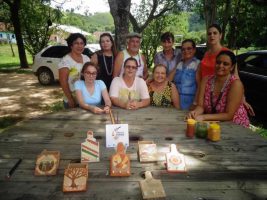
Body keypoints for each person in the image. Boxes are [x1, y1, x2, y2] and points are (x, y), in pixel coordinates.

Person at [195, 24, 255, 116]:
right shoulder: (207, 53)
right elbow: (199, 73)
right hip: (206, 94)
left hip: (222, 94)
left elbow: (235, 76)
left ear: (221, 35)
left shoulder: (228, 53)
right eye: (209, 33)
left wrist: (242, 98)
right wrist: (201, 90)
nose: (212, 36)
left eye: (215, 33)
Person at [187, 51, 250, 127]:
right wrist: (194, 113)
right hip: (214, 124)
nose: (220, 66)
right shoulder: (206, 80)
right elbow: (200, 106)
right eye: (218, 62)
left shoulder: (235, 84)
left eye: (225, 64)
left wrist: (203, 117)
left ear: (232, 67)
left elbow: (229, 115)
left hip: (235, 125)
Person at [58, 33, 90, 108]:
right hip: (73, 99)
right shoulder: (65, 61)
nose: (79, 46)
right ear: (71, 45)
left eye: (82, 43)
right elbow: (63, 82)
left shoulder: (86, 58)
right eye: (76, 43)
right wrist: (70, 99)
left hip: (86, 98)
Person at [168, 39, 200, 110]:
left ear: (194, 50)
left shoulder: (198, 64)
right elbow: (168, 80)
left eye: (189, 48)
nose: (186, 51)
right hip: (175, 100)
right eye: (183, 49)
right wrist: (179, 63)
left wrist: (195, 103)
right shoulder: (179, 64)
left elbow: (200, 86)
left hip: (190, 101)